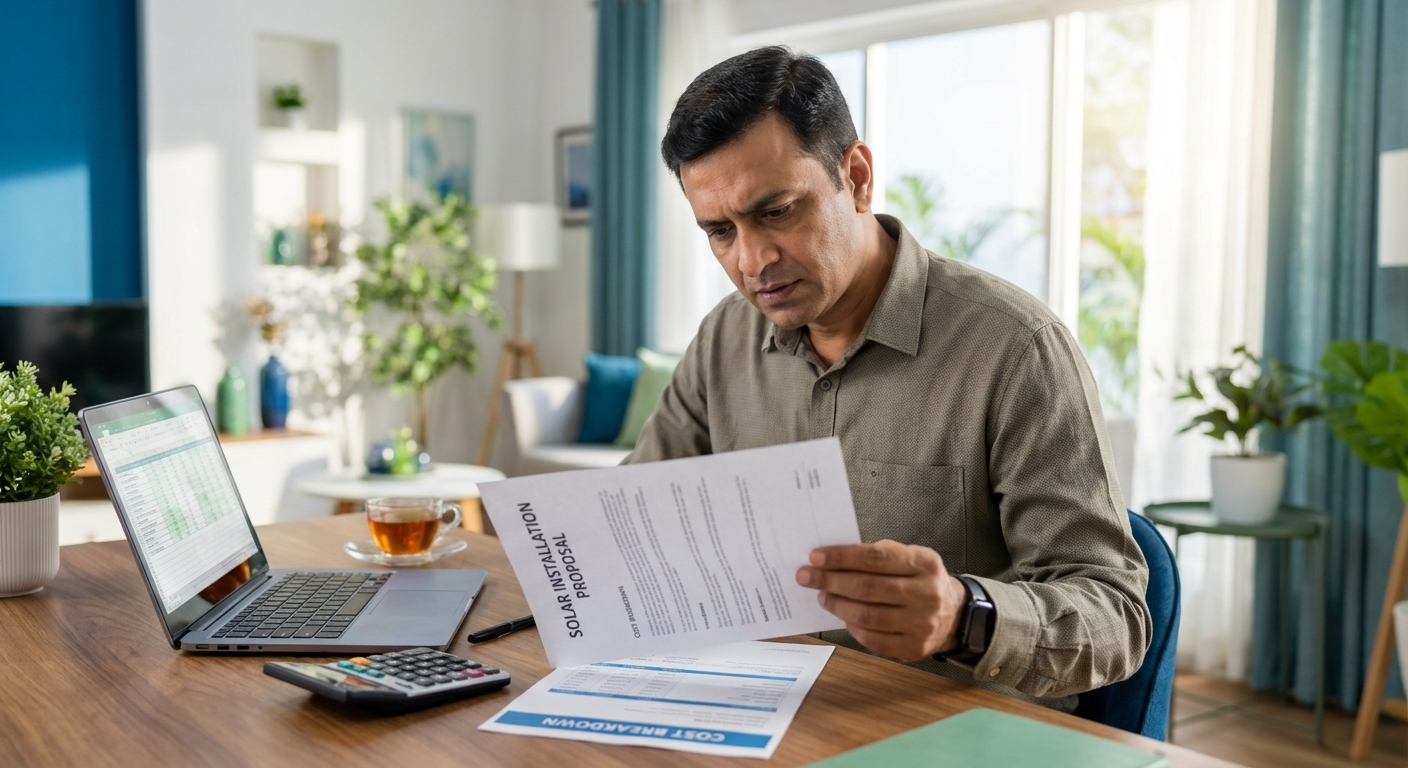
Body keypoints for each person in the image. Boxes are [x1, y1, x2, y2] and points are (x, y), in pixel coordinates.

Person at [626, 45, 1151, 712]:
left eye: (777, 211)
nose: (753, 260)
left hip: (947, 732)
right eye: (720, 231)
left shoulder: (1017, 349)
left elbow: (1116, 618)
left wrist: (965, 615)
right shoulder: (724, 340)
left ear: (857, 175)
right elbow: (638, 521)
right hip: (758, 710)